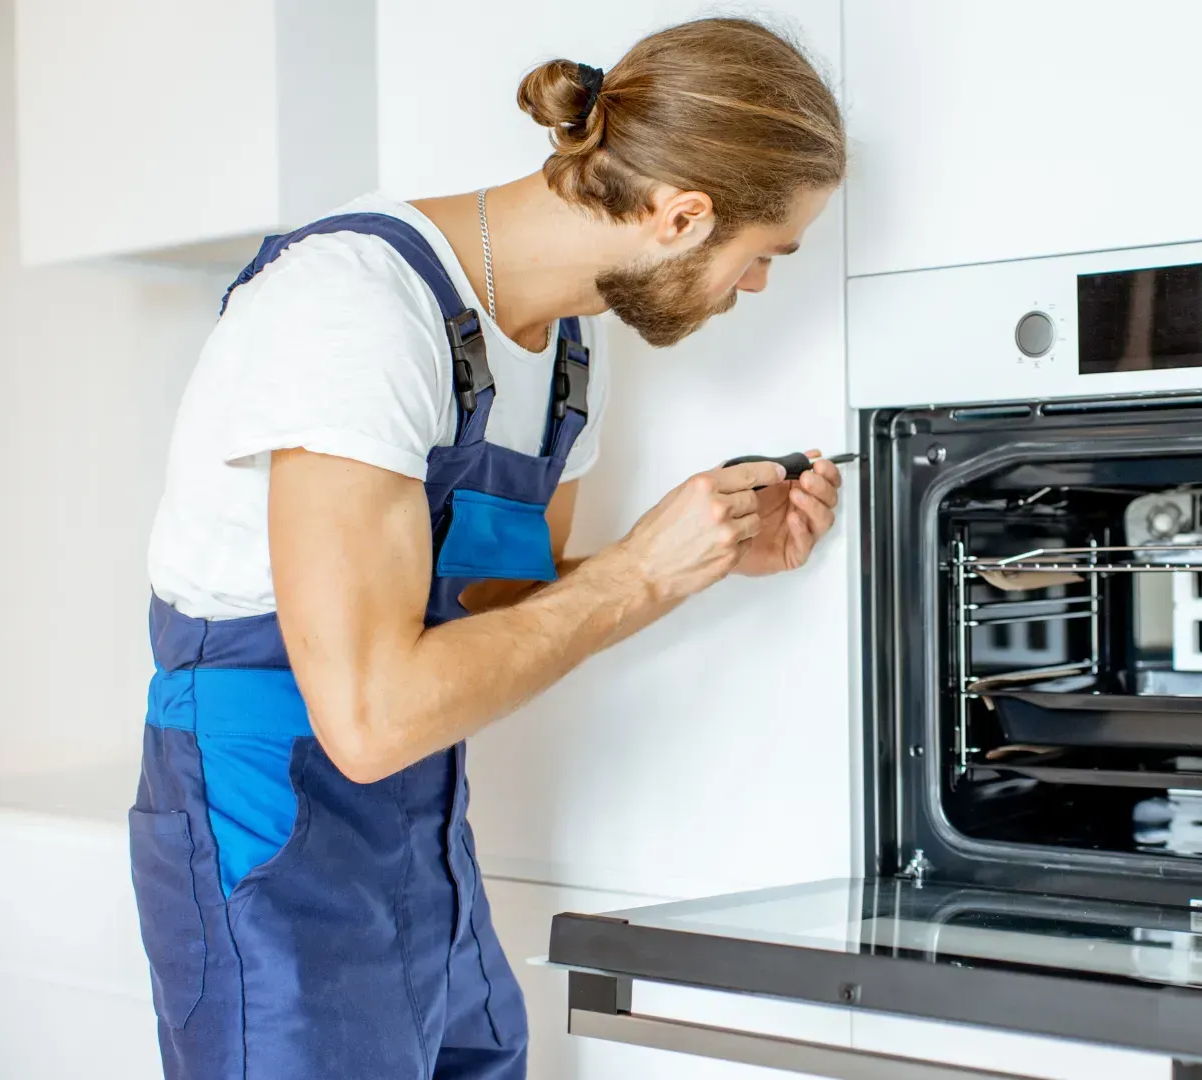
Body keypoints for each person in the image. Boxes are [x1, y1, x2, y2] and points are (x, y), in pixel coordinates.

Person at [128, 17, 846, 1080]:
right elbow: (368, 718)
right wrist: (641, 570)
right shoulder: (356, 314)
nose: (755, 289)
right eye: (761, 256)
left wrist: (705, 553)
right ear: (683, 216)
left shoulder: (568, 351)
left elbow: (496, 614)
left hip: (422, 840)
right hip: (266, 832)